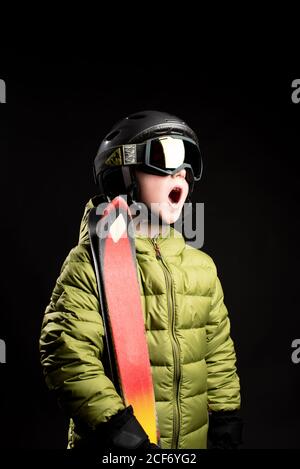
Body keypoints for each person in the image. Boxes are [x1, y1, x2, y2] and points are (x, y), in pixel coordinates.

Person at [39, 110, 242, 450]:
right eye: (166, 158)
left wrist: (226, 418)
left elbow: (218, 354)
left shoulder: (201, 267)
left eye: (189, 162)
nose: (182, 174)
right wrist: (120, 431)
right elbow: (66, 353)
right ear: (122, 174)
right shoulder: (90, 263)